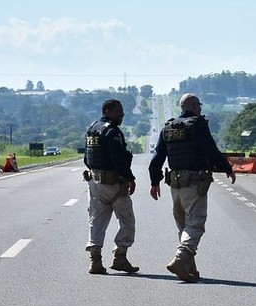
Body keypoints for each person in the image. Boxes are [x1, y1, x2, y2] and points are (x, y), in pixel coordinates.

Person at [148, 93, 236, 283]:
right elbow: (211, 149)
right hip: (195, 183)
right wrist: (227, 168)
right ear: (194, 106)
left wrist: (154, 182)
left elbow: (157, 158)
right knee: (195, 224)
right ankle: (181, 259)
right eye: (199, 105)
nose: (200, 108)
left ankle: (190, 268)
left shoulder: (168, 127)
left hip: (175, 184)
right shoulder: (197, 124)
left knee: (184, 227)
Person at [83, 99, 139, 275]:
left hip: (95, 182)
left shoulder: (93, 128)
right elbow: (118, 160)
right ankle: (120, 257)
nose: (121, 114)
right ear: (107, 111)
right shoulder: (112, 131)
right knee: (127, 221)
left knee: (96, 222)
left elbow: (87, 158)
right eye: (118, 111)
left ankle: (95, 261)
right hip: (114, 184)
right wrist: (130, 178)